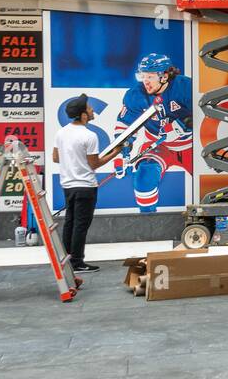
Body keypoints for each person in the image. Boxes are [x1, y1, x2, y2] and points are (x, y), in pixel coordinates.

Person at [111, 53, 193, 213]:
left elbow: (204, 113)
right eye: (142, 75)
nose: (145, 81)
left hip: (192, 146)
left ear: (165, 76)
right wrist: (125, 153)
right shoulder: (135, 94)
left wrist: (182, 125)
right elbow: (125, 125)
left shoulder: (185, 86)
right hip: (159, 145)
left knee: (210, 179)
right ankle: (148, 221)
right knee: (144, 177)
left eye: (150, 76)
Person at [52, 93, 103, 273]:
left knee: (70, 222)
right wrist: (116, 153)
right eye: (89, 108)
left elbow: (56, 157)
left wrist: (72, 161)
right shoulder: (89, 136)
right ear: (83, 115)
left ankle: (67, 259)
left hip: (68, 186)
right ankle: (77, 262)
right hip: (85, 187)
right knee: (81, 225)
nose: (92, 110)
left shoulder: (61, 132)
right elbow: (95, 164)